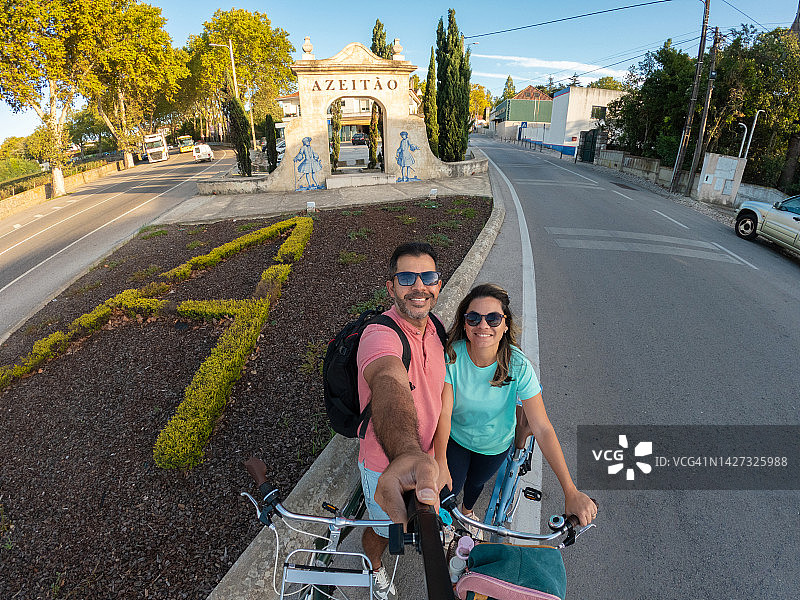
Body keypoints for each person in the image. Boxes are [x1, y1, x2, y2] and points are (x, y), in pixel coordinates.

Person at [432, 283, 596, 531]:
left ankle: (468, 512)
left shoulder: (518, 365)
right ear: (465, 324)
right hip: (456, 438)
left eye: (493, 318)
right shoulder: (452, 356)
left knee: (476, 484)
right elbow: (444, 413)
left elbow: (542, 428)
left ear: (505, 325)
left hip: (494, 445)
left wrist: (570, 490)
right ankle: (450, 519)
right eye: (474, 318)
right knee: (448, 489)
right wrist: (440, 461)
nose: (483, 325)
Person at [357, 241, 446, 600]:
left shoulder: (435, 328)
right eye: (407, 277)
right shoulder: (379, 334)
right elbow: (388, 381)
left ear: (439, 284)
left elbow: (442, 391)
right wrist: (408, 450)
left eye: (428, 277)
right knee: (383, 528)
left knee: (415, 523)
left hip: (424, 459)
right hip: (386, 465)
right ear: (391, 286)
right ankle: (374, 569)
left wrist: (436, 455)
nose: (419, 286)